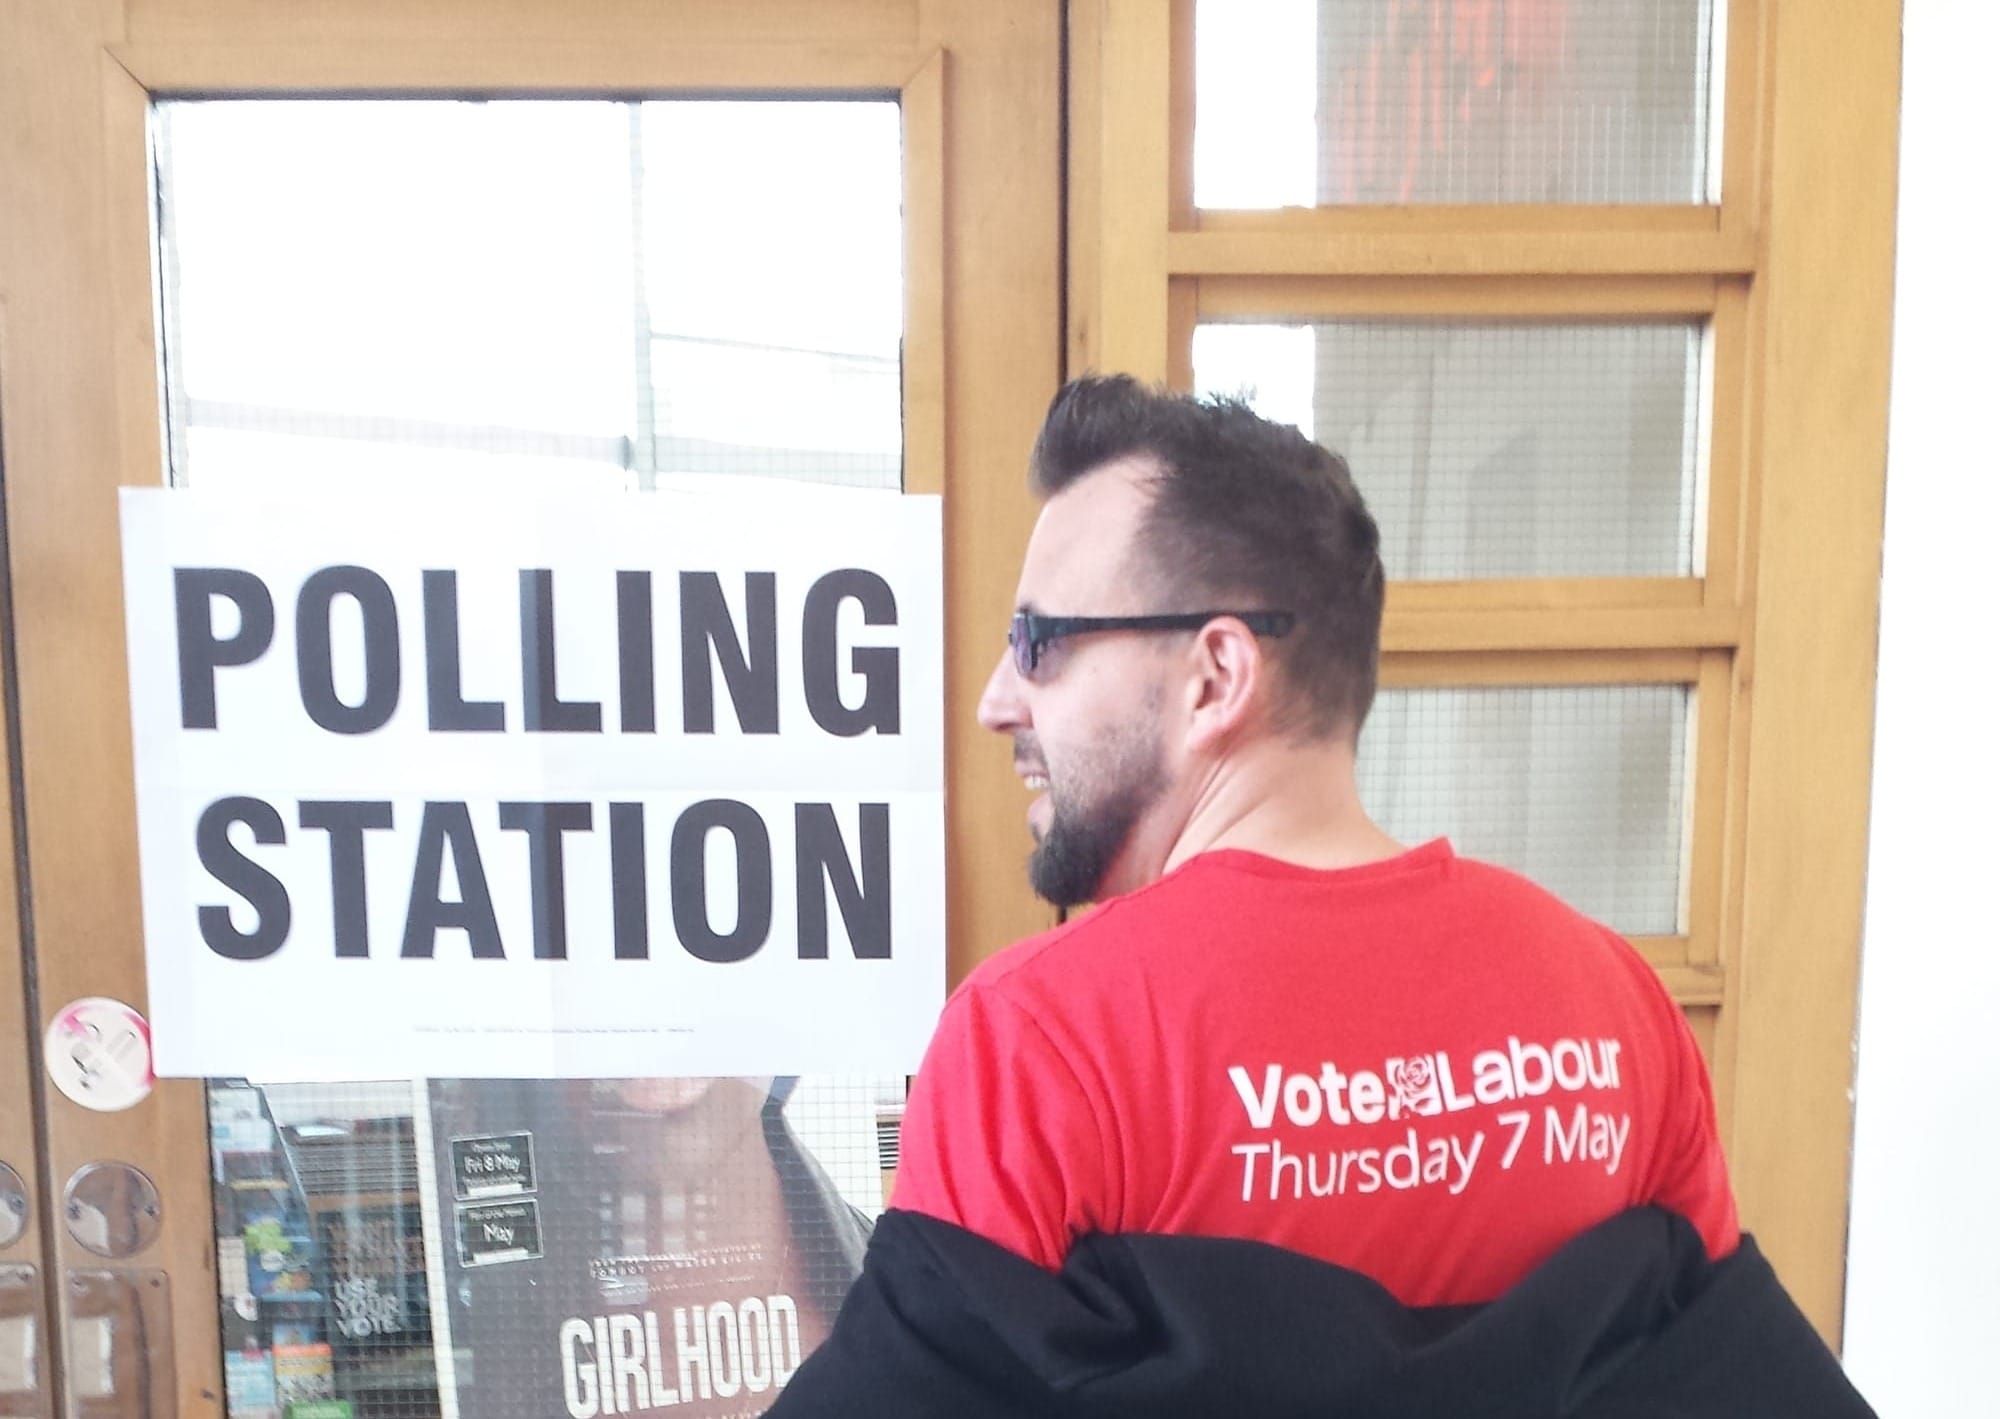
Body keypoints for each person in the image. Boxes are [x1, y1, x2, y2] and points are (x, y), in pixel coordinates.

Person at [888, 374, 1738, 1307]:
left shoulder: (1035, 1047)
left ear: (1215, 674)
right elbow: (1720, 1375)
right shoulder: (1618, 1006)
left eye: (1036, 639)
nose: (995, 699)